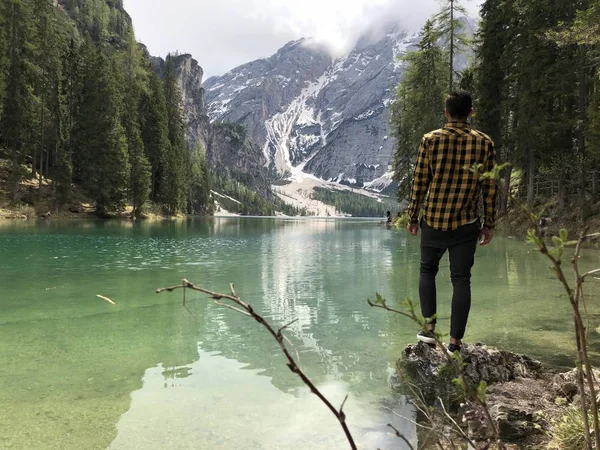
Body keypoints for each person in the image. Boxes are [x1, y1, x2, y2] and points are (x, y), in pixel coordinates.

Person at [406, 90, 497, 355]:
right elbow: (489, 187)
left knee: (427, 271)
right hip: (466, 223)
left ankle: (430, 330)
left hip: (433, 220)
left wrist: (413, 217)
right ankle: (455, 343)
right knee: (461, 280)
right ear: (471, 112)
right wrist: (489, 224)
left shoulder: (430, 140)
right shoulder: (484, 143)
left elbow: (420, 182)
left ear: (446, 113)